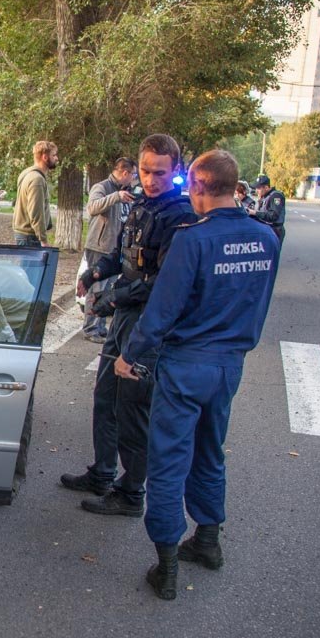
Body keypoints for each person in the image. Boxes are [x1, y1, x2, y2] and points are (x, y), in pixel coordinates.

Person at [113, 150, 280, 600]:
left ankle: (166, 565)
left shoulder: (193, 239)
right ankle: (207, 541)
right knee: (210, 451)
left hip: (186, 363)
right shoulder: (266, 237)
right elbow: (258, 305)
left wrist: (130, 356)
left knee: (168, 460)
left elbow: (163, 309)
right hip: (229, 365)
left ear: (201, 187)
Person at [61, 134, 198, 516]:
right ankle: (103, 472)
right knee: (105, 397)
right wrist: (95, 274)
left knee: (133, 408)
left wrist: (114, 298)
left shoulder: (180, 216)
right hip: (123, 316)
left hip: (148, 325)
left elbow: (165, 282)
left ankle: (132, 492)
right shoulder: (138, 203)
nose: (152, 179)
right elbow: (121, 255)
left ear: (176, 171)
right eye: (145, 170)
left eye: (160, 172)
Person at [82, 157, 137, 343]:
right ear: (125, 173)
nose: (134, 179)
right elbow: (92, 207)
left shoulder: (126, 192)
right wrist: (115, 197)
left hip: (115, 250)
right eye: (133, 175)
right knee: (96, 288)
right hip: (99, 246)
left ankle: (100, 325)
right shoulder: (103, 187)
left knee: (107, 289)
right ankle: (91, 328)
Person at [13, 141, 55, 246]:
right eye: (53, 155)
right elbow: (36, 212)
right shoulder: (36, 179)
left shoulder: (28, 174)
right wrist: (43, 240)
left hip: (27, 235)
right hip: (30, 237)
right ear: (45, 157)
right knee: (31, 263)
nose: (56, 158)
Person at [251, 174, 286, 242]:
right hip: (266, 229)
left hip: (274, 230)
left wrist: (255, 213)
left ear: (266, 187)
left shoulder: (275, 196)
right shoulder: (264, 196)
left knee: (271, 252)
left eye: (258, 188)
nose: (256, 190)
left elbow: (273, 216)